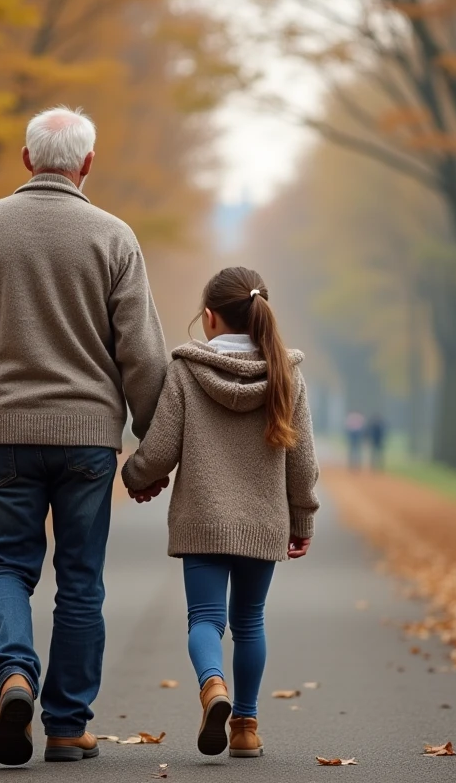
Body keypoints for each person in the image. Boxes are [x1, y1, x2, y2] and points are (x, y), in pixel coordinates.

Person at [0, 106, 169, 766]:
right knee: (81, 580)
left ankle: (13, 675)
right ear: (87, 164)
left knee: (6, 565)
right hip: (89, 438)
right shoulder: (114, 237)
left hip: (2, 432)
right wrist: (150, 448)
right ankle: (65, 726)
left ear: (26, 159)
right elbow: (143, 355)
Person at [121, 267, 320, 759]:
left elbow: (161, 447)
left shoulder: (187, 371)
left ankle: (214, 687)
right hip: (264, 520)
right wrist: (303, 518)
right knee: (250, 621)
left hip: (202, 518)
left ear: (209, 318)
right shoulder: (285, 373)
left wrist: (133, 476)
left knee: (205, 619)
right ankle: (246, 727)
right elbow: (304, 461)